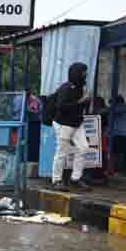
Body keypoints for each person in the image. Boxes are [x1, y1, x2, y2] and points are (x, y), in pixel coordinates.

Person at [50, 62, 92, 191]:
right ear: (76, 73)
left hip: (76, 123)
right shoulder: (66, 88)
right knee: (61, 152)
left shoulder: (81, 87)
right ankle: (56, 180)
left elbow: (80, 105)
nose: (85, 74)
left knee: (83, 148)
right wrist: (80, 103)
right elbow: (61, 106)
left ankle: (75, 178)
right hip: (63, 124)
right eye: (83, 71)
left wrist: (85, 103)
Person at [107, 95, 126, 175]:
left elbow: (107, 111)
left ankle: (115, 170)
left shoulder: (122, 108)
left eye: (111, 103)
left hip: (121, 136)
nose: (110, 105)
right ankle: (115, 169)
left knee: (113, 151)